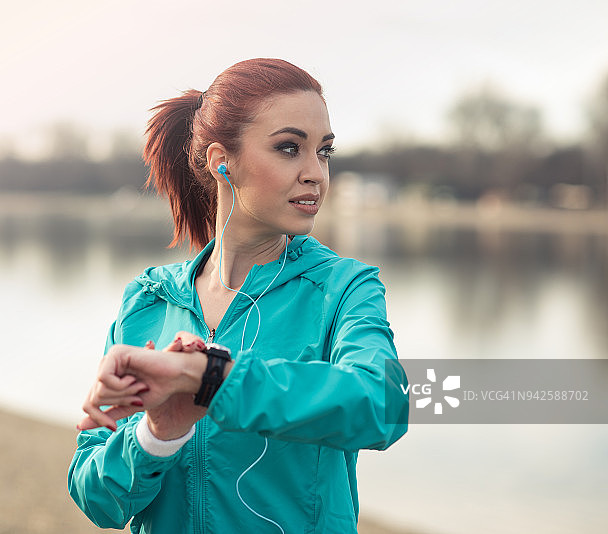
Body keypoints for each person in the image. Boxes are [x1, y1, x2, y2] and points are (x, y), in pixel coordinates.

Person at [68, 58, 409, 534]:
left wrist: (210, 377)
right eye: (290, 148)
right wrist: (157, 433)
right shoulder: (149, 300)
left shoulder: (343, 289)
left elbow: (382, 405)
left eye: (324, 152)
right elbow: (97, 500)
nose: (316, 173)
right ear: (221, 161)